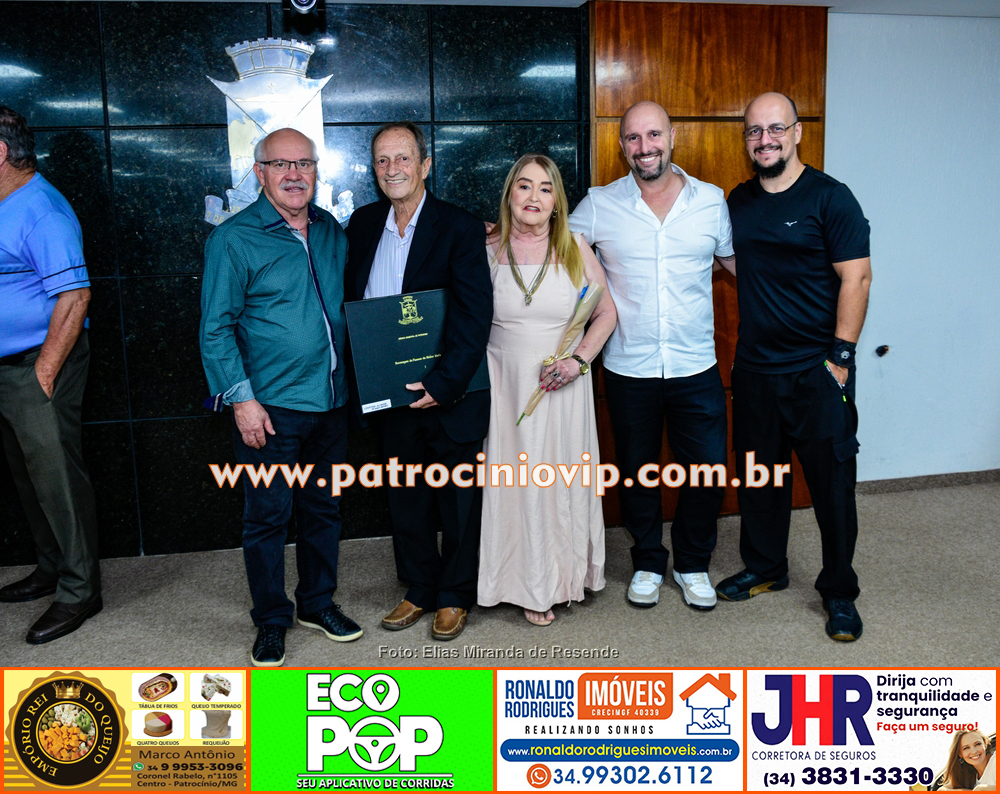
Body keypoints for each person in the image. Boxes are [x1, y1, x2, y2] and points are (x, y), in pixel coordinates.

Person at [200, 128, 361, 667]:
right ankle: (271, 620)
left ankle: (317, 603)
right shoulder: (234, 239)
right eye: (280, 165)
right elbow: (215, 329)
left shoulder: (330, 229)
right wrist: (241, 400)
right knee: (267, 516)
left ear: (316, 170)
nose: (294, 175)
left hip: (331, 401)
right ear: (260, 172)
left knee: (324, 509)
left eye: (304, 164)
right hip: (270, 409)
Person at [569, 101, 736, 611]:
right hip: (629, 366)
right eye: (634, 138)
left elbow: (734, 263)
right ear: (623, 146)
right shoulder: (599, 204)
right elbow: (550, 243)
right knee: (637, 471)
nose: (645, 147)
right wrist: (493, 236)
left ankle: (692, 563)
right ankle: (647, 560)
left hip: (696, 365)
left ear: (672, 137)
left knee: (706, 471)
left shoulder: (711, 201)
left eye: (654, 135)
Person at [717, 92, 872, 642]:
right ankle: (766, 567)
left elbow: (857, 278)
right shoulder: (738, 201)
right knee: (761, 477)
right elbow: (735, 261)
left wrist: (841, 359)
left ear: (797, 132)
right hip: (755, 369)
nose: (765, 140)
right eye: (755, 131)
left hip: (818, 370)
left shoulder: (831, 197)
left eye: (776, 128)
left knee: (832, 486)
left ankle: (839, 590)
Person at [345, 122, 491, 641]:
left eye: (403, 158)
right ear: (374, 170)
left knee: (457, 499)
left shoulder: (459, 226)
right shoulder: (363, 224)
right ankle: (420, 587)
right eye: (383, 160)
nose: (393, 169)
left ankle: (455, 595)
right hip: (389, 392)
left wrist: (443, 383)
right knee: (406, 495)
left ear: (425, 165)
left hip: (450, 392)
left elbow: (475, 314)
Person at [477, 154, 617, 626]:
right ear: (509, 195)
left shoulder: (575, 246)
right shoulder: (486, 247)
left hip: (563, 390)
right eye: (524, 186)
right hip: (504, 387)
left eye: (545, 187)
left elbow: (606, 313)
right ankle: (517, 581)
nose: (533, 196)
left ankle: (556, 580)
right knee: (513, 484)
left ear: (557, 201)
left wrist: (579, 361)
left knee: (556, 482)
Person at [0, 106, 102, 644]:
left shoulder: (42, 210)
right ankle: (51, 568)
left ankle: (80, 590)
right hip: (9, 367)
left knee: (57, 478)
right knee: (27, 473)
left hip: (38, 364)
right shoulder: (5, 202)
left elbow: (76, 296)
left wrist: (42, 376)